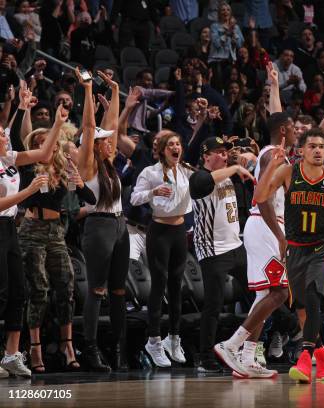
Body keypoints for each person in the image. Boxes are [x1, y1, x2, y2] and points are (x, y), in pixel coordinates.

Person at [254, 117, 324, 383]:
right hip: (295, 248)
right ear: (301, 150)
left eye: (321, 147)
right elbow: (259, 197)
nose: (317, 150)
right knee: (302, 307)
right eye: (311, 146)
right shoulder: (288, 173)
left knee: (314, 298)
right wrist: (272, 166)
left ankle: (305, 358)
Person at [9, 86, 93, 374]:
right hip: (31, 229)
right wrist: (24, 108)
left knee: (66, 286)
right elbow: (20, 139)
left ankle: (68, 345)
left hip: (56, 231)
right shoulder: (29, 170)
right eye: (43, 142)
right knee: (39, 289)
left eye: (52, 142)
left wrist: (77, 182)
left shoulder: (62, 168)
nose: (49, 146)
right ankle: (34, 350)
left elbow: (81, 197)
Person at [214, 112, 297, 379]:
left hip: (267, 227)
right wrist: (281, 236)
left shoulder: (272, 154)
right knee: (280, 293)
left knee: (264, 297)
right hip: (266, 226)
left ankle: (248, 356)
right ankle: (231, 345)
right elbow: (262, 199)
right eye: (294, 128)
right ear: (284, 129)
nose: (298, 132)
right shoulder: (274, 156)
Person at [76, 68, 129, 372]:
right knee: (97, 289)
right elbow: (91, 124)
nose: (111, 141)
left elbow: (111, 126)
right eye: (104, 140)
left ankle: (122, 350)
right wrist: (86, 91)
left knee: (119, 290)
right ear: (94, 144)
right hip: (99, 227)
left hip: (119, 226)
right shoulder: (87, 164)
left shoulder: (107, 160)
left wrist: (116, 92)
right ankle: (90, 349)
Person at [0, 117, 59, 378]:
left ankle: (11, 355)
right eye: (1, 134)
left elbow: (45, 152)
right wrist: (29, 191)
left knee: (19, 292)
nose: (5, 136)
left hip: (9, 228)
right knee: (0, 292)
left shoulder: (9, 158)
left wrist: (58, 122)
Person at [130, 131, 196, 368]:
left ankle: (174, 339)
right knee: (159, 285)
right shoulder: (150, 172)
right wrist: (153, 192)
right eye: (171, 145)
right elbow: (134, 198)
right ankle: (153, 340)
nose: (175, 148)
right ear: (162, 150)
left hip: (180, 231)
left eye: (178, 143)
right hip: (159, 231)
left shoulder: (187, 170)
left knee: (177, 286)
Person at [189, 137, 254, 373]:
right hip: (213, 251)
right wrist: (235, 167)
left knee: (261, 292)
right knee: (213, 306)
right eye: (218, 153)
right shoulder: (198, 178)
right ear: (206, 156)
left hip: (236, 246)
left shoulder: (229, 175)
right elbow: (204, 182)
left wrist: (248, 158)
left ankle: (257, 346)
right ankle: (205, 358)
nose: (224, 156)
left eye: (225, 153)